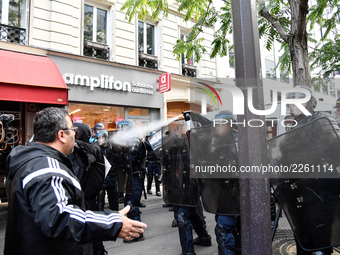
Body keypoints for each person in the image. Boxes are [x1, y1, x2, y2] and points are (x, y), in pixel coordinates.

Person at [5, 107, 146, 255]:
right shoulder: (48, 169)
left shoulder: (32, 162)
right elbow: (59, 218)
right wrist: (113, 223)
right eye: (72, 129)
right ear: (61, 135)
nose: (74, 134)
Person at [284, 85, 338, 255]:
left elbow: (336, 149)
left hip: (319, 190)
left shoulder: (322, 120)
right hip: (297, 189)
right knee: (301, 235)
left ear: (310, 102)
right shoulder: (291, 126)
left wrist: (312, 157)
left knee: (320, 236)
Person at [69, 122, 107, 255]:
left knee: (91, 237)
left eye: (75, 132)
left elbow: (92, 153)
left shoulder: (88, 151)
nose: (72, 134)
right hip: (79, 202)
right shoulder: (75, 151)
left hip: (87, 201)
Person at [96, 129, 119, 211]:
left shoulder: (113, 148)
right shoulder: (97, 148)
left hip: (112, 176)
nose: (99, 140)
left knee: (114, 198)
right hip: (102, 177)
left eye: (100, 138)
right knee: (99, 198)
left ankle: (115, 217)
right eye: (98, 138)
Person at [145, 132, 162, 196]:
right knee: (150, 176)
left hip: (157, 161)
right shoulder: (149, 143)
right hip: (150, 161)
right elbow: (147, 146)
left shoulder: (158, 142)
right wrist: (146, 139)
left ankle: (158, 190)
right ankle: (148, 189)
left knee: (157, 176)